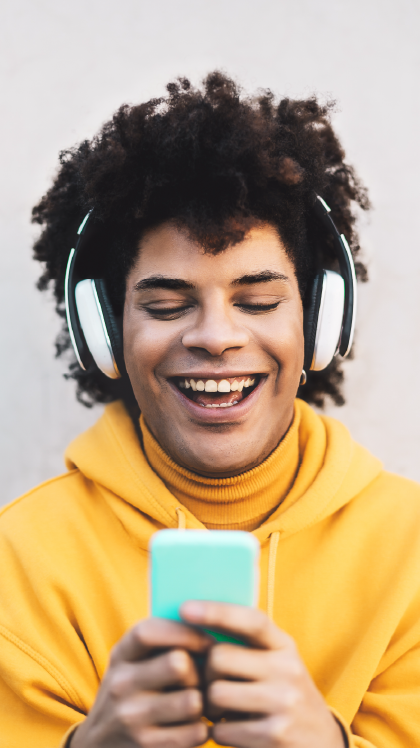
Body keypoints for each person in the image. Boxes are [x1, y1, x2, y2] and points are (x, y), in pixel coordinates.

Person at [0, 72, 419, 748]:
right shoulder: (16, 562)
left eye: (257, 301)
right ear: (104, 334)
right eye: (166, 306)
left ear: (318, 322)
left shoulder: (412, 551)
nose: (216, 337)